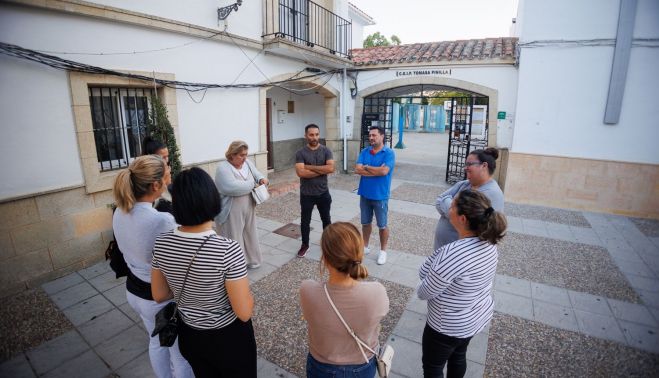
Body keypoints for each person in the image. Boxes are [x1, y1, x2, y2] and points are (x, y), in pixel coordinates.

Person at [151, 167, 257, 377]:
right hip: (227, 339)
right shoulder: (227, 249)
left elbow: (159, 295)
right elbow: (243, 312)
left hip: (189, 334)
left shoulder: (162, 243)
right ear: (212, 199)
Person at [112, 155, 193, 378]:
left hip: (135, 291)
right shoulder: (161, 220)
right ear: (156, 184)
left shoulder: (120, 210)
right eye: (167, 170)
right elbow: (182, 259)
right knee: (180, 354)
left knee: (156, 342)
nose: (170, 173)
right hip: (159, 299)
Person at [418, 190, 506, 378]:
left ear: (463, 219)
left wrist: (433, 267)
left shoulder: (452, 252)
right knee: (458, 356)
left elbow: (424, 290)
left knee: (433, 366)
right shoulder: (490, 243)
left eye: (452, 206)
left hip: (446, 326)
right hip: (472, 319)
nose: (449, 208)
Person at [300, 222, 389, 377]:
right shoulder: (377, 292)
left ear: (325, 259)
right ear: (359, 255)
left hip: (321, 366)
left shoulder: (307, 290)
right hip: (363, 366)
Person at [434, 148, 504, 251]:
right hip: (445, 249)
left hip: (461, 254)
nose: (465, 168)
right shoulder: (464, 184)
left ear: (484, 166)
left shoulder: (491, 193)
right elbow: (438, 200)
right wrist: (452, 208)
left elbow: (463, 219)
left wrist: (447, 202)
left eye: (469, 164)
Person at [214, 141, 268, 269]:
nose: (245, 158)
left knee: (250, 233)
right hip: (230, 209)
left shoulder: (247, 163)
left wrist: (261, 179)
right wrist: (253, 184)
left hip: (249, 205)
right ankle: (235, 265)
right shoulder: (223, 168)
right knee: (234, 235)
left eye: (246, 154)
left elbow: (257, 174)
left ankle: (252, 260)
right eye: (241, 155)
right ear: (232, 155)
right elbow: (231, 187)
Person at [355, 126, 396, 265]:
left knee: (382, 225)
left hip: (380, 195)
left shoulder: (388, 153)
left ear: (382, 136)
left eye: (374, 135)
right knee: (365, 223)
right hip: (365, 194)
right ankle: (365, 247)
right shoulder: (365, 151)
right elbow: (357, 169)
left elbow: (384, 172)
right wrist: (375, 170)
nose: (371, 138)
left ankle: (383, 251)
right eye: (370, 135)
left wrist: (366, 167)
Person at [295, 124, 335, 258]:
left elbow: (331, 169)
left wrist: (309, 167)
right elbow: (301, 172)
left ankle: (328, 245)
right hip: (306, 194)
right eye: (311, 135)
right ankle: (305, 244)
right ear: (306, 135)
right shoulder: (300, 153)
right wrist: (320, 170)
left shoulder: (326, 151)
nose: (314, 137)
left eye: (317, 134)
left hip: (323, 193)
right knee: (305, 221)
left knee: (326, 220)